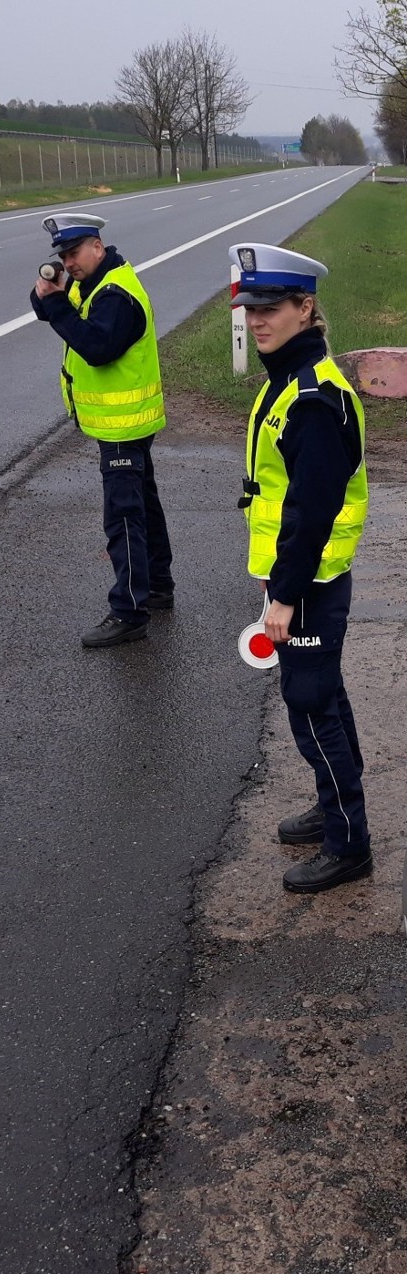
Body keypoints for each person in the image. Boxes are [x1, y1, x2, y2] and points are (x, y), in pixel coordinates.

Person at [229, 242, 371, 893]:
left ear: (304, 307)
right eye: (250, 307)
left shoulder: (312, 398)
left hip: (309, 584)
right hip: (299, 580)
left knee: (312, 703)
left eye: (272, 307)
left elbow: (311, 514)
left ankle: (348, 842)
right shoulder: (290, 379)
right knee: (322, 698)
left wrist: (282, 598)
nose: (257, 319)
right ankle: (332, 805)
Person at [30, 213, 174, 647]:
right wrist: (48, 293)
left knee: (124, 516)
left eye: (74, 253)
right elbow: (46, 307)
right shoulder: (90, 282)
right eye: (62, 256)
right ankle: (158, 587)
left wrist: (56, 304)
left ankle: (129, 612)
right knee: (143, 504)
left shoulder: (116, 294)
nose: (68, 263)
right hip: (121, 423)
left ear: (97, 245)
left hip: (123, 426)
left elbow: (96, 348)